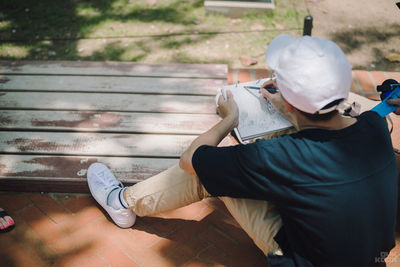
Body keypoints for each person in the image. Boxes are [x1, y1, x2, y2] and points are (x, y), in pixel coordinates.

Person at [87, 34, 398, 266]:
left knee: (209, 174)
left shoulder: (278, 157)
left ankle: (121, 203)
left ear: (289, 101)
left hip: (302, 259)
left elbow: (190, 160)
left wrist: (229, 119)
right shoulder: (374, 126)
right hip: (371, 258)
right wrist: (288, 108)